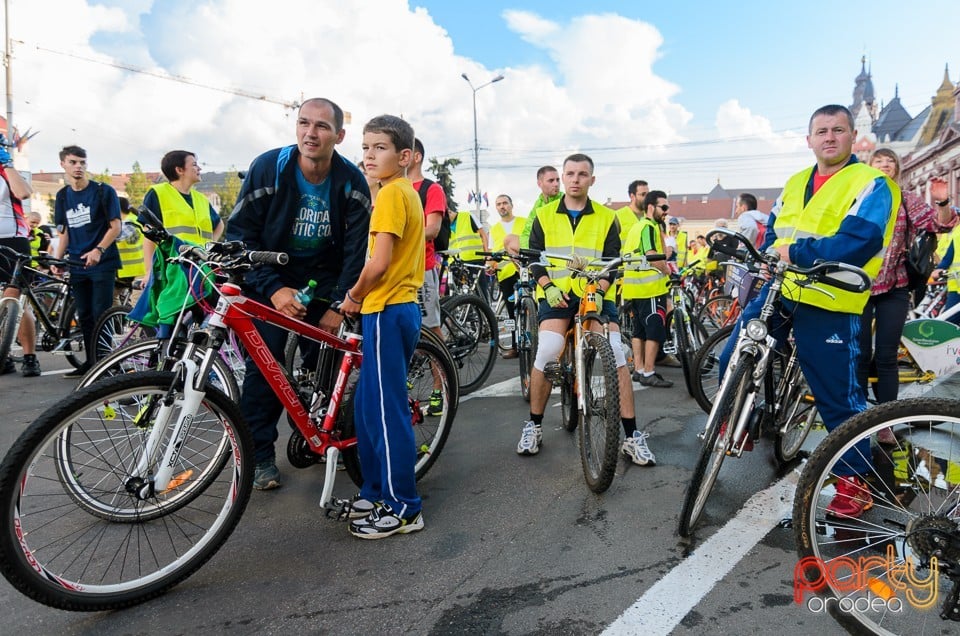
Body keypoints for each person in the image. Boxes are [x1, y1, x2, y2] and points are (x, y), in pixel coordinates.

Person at [719, 104, 898, 518]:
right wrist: (764, 255)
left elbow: (861, 241)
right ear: (809, 139)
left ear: (853, 137)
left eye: (838, 130)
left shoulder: (873, 183)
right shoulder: (796, 181)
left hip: (832, 298)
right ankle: (743, 422)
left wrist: (795, 252)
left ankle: (855, 481)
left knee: (837, 396)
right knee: (734, 354)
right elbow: (773, 232)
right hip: (783, 289)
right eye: (822, 131)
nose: (829, 137)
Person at [226, 97, 371, 491]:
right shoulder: (268, 168)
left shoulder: (351, 182)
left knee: (323, 364)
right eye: (304, 123)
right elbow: (240, 237)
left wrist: (341, 303)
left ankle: (318, 435)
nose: (311, 132)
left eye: (322, 126)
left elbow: (356, 250)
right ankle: (258, 458)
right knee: (265, 366)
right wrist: (273, 288)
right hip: (271, 274)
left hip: (323, 279)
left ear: (339, 136)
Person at [519, 153, 656, 466]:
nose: (575, 179)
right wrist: (548, 287)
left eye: (582, 174)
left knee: (617, 354)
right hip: (556, 294)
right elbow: (534, 258)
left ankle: (632, 437)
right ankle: (534, 425)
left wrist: (600, 289)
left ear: (592, 180)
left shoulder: (608, 217)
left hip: (596, 293)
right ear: (563, 177)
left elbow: (612, 264)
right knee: (549, 348)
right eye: (570, 173)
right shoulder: (545, 215)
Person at [340, 114, 425, 539]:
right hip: (391, 309)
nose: (369, 155)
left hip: (386, 308)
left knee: (388, 411)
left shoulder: (392, 195)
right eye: (366, 147)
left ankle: (404, 505)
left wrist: (352, 297)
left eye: (380, 148)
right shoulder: (402, 193)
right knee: (367, 407)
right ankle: (374, 490)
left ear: (404, 156)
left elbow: (379, 263)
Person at [860, 148, 954, 413]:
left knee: (887, 355)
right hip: (859, 286)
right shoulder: (857, 197)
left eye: (890, 161)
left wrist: (943, 202)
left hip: (895, 285)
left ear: (897, 169)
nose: (885, 165)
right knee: (860, 356)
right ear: (869, 166)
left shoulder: (904, 198)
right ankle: (852, 420)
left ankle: (883, 420)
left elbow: (938, 225)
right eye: (879, 161)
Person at [51, 145, 122, 378]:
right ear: (63, 164)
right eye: (73, 162)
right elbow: (65, 233)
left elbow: (116, 226)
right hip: (77, 264)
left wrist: (98, 250)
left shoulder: (103, 191)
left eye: (82, 162)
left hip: (102, 263)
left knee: (101, 313)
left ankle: (105, 363)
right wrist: (57, 260)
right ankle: (92, 363)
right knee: (85, 315)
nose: (78, 166)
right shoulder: (62, 196)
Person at [141, 150, 224, 280]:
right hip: (173, 269)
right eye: (195, 165)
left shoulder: (200, 199)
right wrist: (149, 272)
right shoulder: (158, 193)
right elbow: (149, 234)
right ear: (180, 170)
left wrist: (208, 248)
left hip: (203, 268)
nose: (199, 168)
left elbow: (219, 224)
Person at [409, 138, 447, 415]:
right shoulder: (384, 188)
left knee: (430, 330)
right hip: (388, 271)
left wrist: (393, 238)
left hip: (421, 269)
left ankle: (441, 388)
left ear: (415, 156)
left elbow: (432, 229)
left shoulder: (430, 189)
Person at [622, 190, 674, 388]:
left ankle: (640, 369)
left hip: (635, 289)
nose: (666, 212)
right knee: (654, 330)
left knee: (639, 331)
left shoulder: (636, 227)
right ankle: (649, 371)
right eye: (664, 207)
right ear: (651, 207)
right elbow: (651, 254)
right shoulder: (648, 227)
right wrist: (667, 270)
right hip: (651, 288)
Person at [0, 138, 40, 377]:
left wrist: (7, 163)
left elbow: (24, 192)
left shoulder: (6, 171)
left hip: (13, 240)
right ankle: (3, 355)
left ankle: (29, 356)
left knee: (13, 301)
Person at [487, 193, 526, 358]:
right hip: (505, 275)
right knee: (511, 313)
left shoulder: (524, 223)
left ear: (511, 205)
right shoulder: (494, 229)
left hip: (523, 271)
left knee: (531, 307)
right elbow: (490, 253)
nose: (502, 206)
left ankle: (535, 340)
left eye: (505, 203)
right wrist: (489, 266)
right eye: (498, 204)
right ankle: (515, 345)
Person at [519, 165, 562, 249]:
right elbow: (527, 230)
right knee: (509, 240)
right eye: (551, 181)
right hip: (539, 247)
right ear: (539, 183)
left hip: (558, 247)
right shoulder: (538, 203)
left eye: (558, 180)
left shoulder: (565, 200)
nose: (556, 184)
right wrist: (528, 253)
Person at [114, 196, 146, 298]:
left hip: (129, 270)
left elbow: (115, 237)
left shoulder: (129, 223)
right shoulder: (131, 219)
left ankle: (117, 314)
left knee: (109, 297)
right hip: (126, 269)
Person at [615, 180, 650, 245]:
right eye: (643, 194)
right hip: (625, 255)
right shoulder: (618, 216)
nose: (647, 198)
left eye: (648, 194)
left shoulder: (652, 216)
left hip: (648, 255)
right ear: (632, 196)